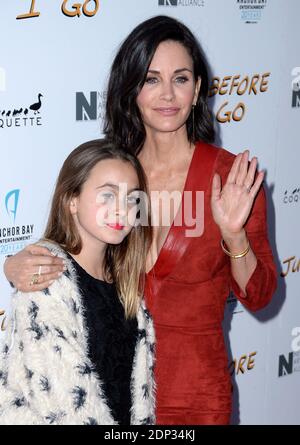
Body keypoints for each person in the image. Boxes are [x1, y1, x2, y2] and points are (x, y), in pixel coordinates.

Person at [3, 16, 277, 425]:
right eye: (151, 79)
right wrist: (17, 263)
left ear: (198, 88)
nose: (167, 94)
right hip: (114, 394)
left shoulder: (230, 177)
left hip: (197, 394)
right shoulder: (117, 172)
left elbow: (259, 295)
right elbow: (74, 249)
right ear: (131, 88)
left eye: (181, 78)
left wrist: (233, 234)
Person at [0, 140, 155, 425]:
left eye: (132, 198)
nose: (121, 209)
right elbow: (63, 405)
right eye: (107, 195)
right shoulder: (47, 275)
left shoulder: (124, 276)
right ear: (72, 200)